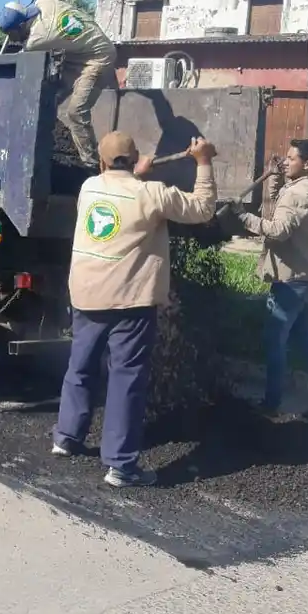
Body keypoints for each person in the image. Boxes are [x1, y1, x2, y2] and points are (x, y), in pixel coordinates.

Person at [53, 131, 218, 488]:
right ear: (137, 158)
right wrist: (203, 162)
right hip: (129, 301)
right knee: (126, 379)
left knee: (80, 367)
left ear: (100, 162)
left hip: (85, 294)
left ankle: (66, 437)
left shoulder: (89, 188)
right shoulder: (152, 194)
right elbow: (203, 209)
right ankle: (121, 466)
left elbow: (121, 195)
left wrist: (136, 174)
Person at [230, 138, 308, 420]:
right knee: (304, 337)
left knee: (274, 339)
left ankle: (271, 403)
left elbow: (277, 229)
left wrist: (242, 217)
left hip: (292, 280)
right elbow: (280, 208)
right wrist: (274, 179)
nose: (286, 161)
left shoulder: (298, 195)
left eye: (292, 158)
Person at [0, 0, 117, 167]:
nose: (12, 39)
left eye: (11, 34)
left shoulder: (38, 38)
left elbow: (23, 55)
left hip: (98, 57)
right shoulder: (46, 1)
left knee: (76, 111)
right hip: (79, 53)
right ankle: (45, 142)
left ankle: (92, 164)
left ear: (21, 25)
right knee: (49, 97)